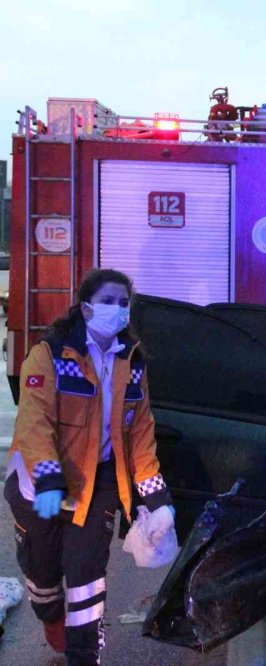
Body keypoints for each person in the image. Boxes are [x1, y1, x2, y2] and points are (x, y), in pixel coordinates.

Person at [4, 268, 174, 664]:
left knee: (86, 578)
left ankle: (83, 656)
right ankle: (50, 616)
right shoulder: (49, 354)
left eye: (123, 302)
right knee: (43, 579)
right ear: (85, 307)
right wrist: (47, 478)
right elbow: (34, 422)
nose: (117, 309)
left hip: (97, 486)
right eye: (108, 301)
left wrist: (157, 498)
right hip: (38, 489)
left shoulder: (131, 363)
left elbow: (140, 435)